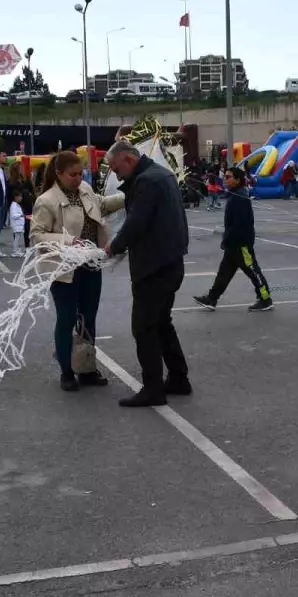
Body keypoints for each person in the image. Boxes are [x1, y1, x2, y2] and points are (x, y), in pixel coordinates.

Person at [102, 142, 191, 408]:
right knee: (162, 323)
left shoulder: (146, 182)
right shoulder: (162, 174)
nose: (116, 175)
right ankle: (178, 378)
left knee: (144, 328)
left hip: (154, 266)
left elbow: (137, 223)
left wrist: (113, 247)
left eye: (116, 169)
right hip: (171, 262)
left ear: (128, 159)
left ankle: (153, 389)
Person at [31, 150, 126, 391]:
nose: (77, 178)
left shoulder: (84, 189)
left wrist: (127, 196)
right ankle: (66, 371)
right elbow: (37, 235)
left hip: (90, 266)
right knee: (67, 319)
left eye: (80, 173)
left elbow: (100, 205)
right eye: (72, 174)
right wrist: (67, 241)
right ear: (59, 174)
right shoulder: (47, 200)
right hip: (64, 270)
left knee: (88, 318)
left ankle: (86, 369)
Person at [192, 167, 273, 313]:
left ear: (237, 179)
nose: (225, 179)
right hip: (232, 245)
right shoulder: (235, 194)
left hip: (240, 244)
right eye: (225, 177)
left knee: (253, 272)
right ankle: (212, 298)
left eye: (228, 177)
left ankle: (265, 299)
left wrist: (229, 239)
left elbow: (240, 224)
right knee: (224, 273)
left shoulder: (239, 198)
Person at [8, 191, 26, 257]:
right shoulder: (13, 205)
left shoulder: (16, 205)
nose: (21, 198)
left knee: (18, 238)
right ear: (16, 197)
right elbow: (13, 215)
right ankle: (15, 251)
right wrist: (21, 215)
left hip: (19, 225)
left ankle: (17, 250)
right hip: (16, 224)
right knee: (17, 238)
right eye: (20, 196)